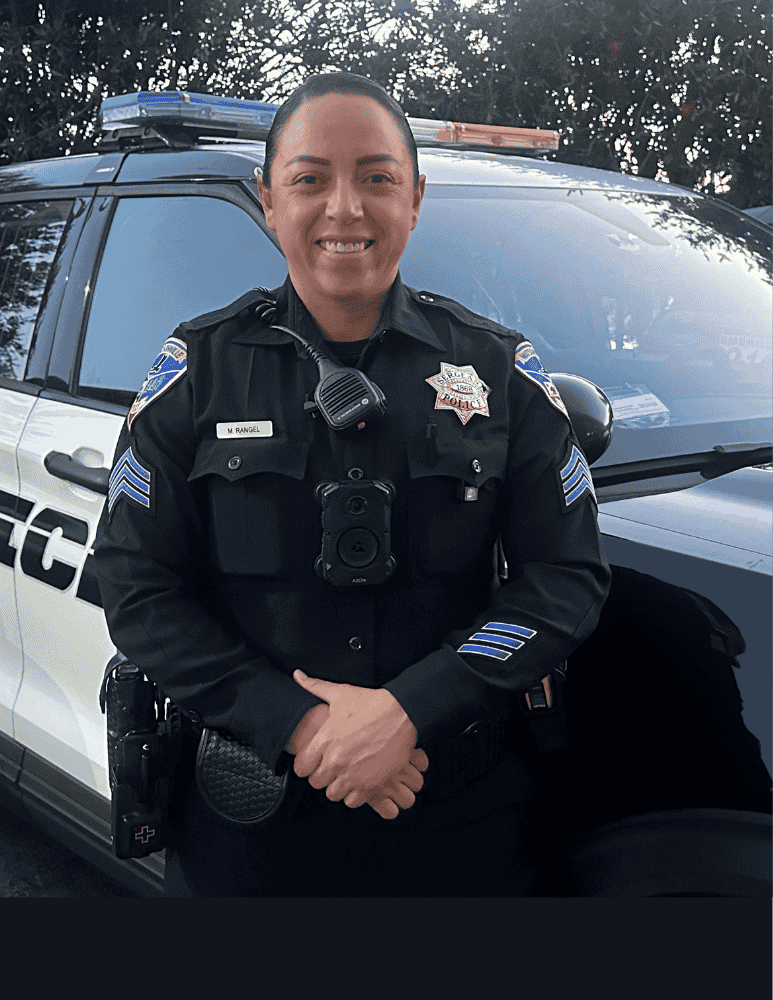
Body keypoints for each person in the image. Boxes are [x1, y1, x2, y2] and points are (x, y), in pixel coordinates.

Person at [94, 71, 611, 897]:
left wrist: (413, 708)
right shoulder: (195, 372)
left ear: (414, 199)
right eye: (309, 179)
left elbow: (566, 577)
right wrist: (299, 725)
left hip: (460, 821)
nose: (345, 208)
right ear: (268, 200)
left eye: (377, 177)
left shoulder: (497, 369)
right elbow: (134, 586)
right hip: (247, 834)